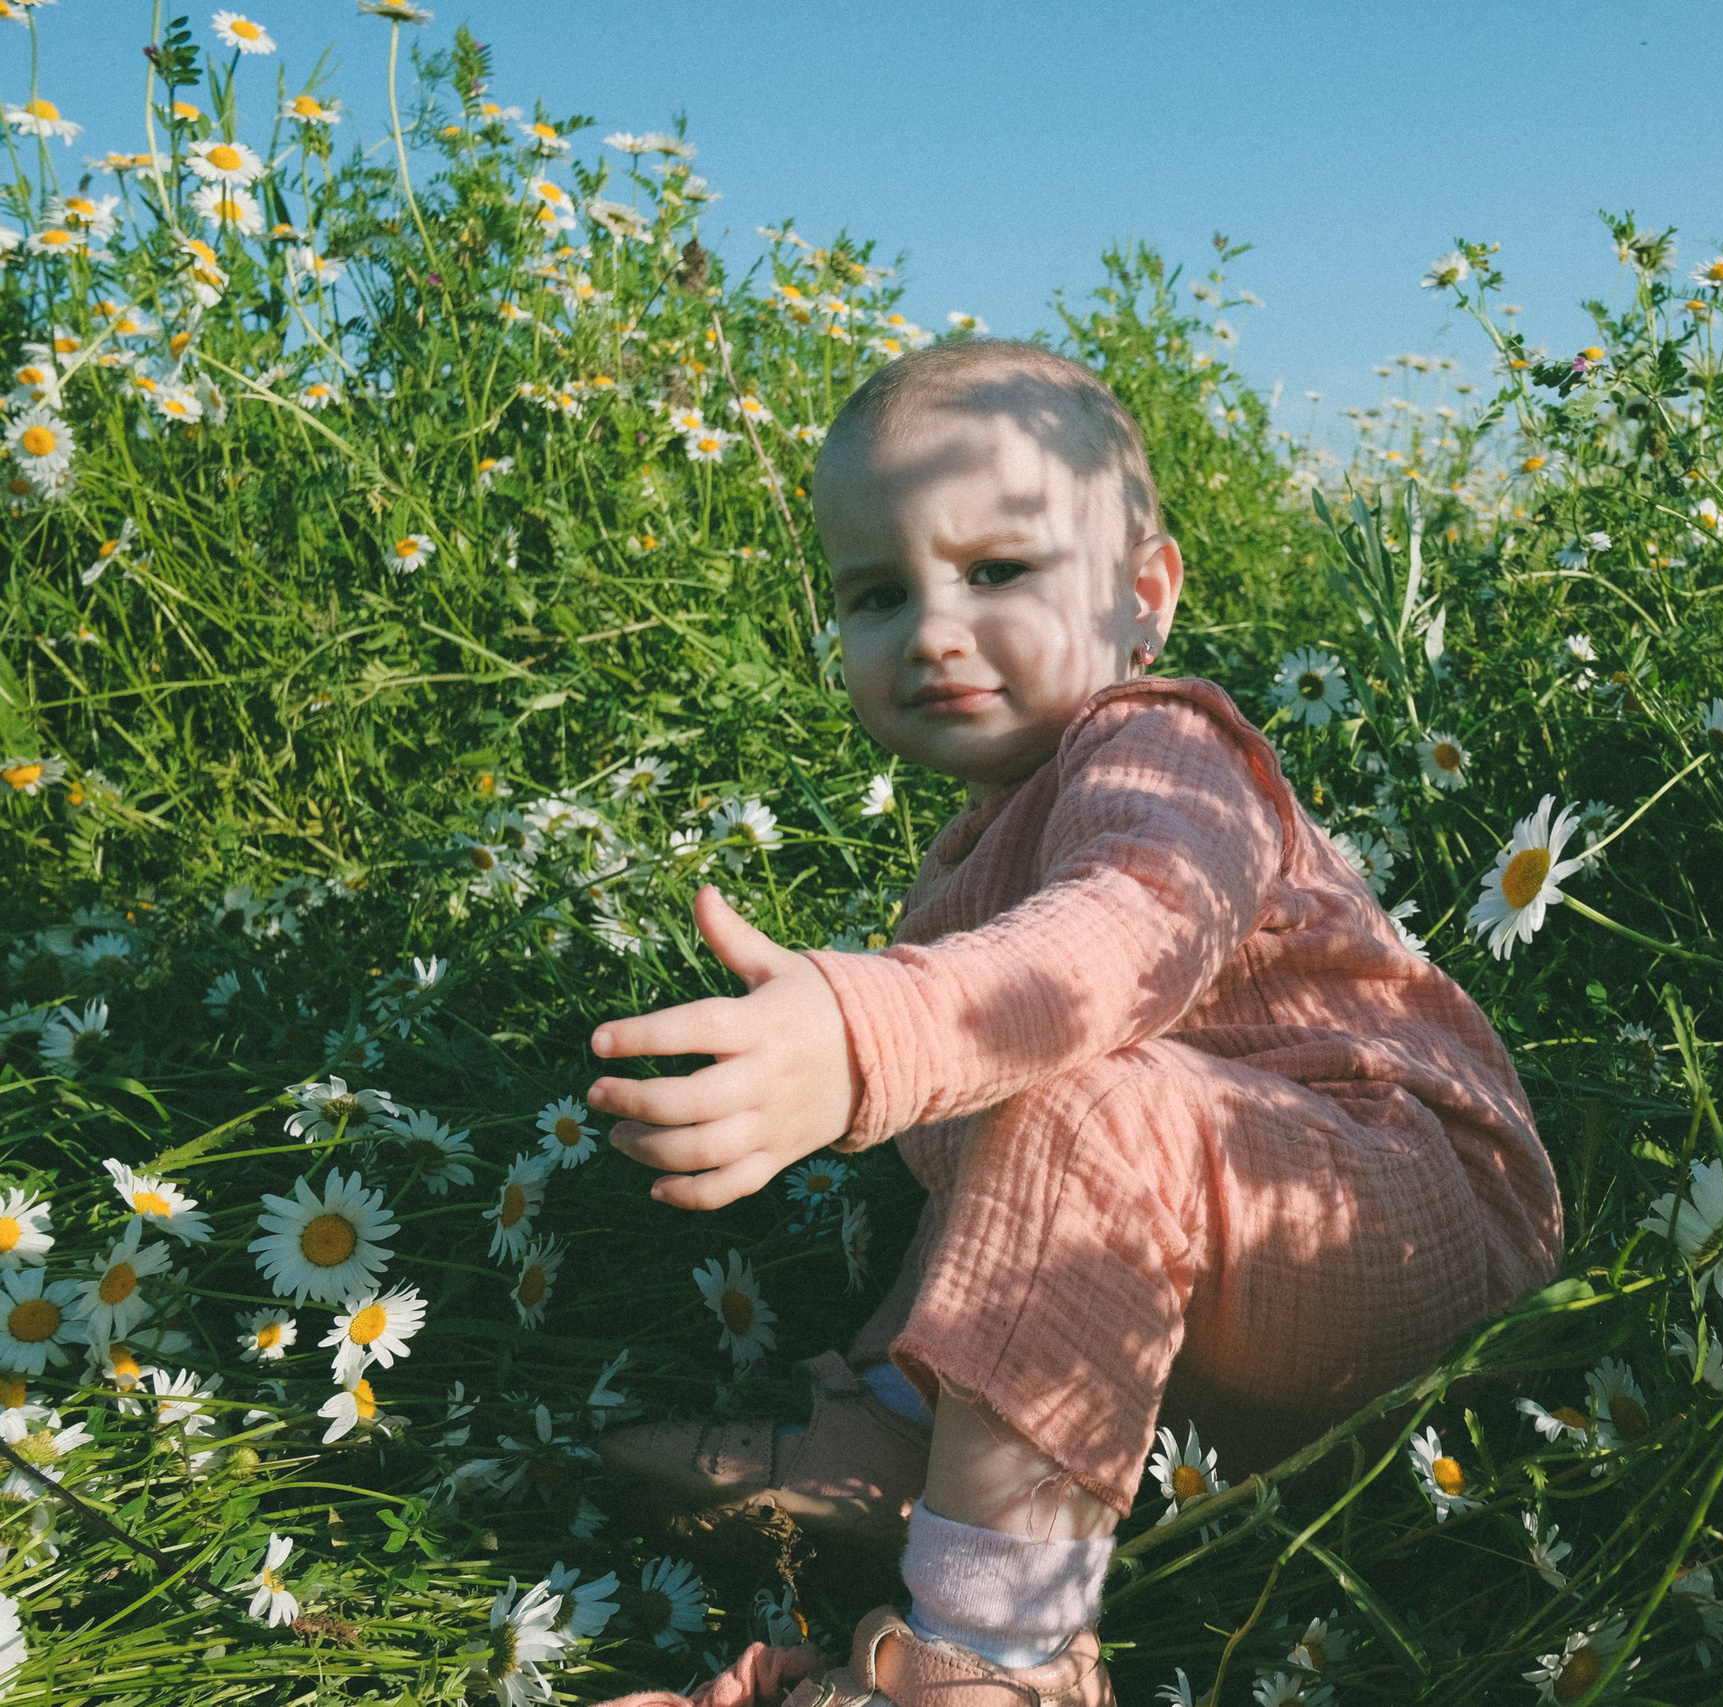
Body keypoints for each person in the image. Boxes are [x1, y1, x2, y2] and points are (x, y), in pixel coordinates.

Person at [587, 339, 1562, 1705]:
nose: (933, 628)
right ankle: (908, 1443)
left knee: (1075, 1092)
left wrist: (871, 1038)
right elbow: (1003, 1211)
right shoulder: (968, 863)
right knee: (1022, 1134)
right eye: (879, 593)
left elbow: (1122, 939)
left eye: (996, 573)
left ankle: (992, 1659)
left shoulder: (1164, 745)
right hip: (1214, 1332)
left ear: (1142, 595)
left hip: (1401, 1216)